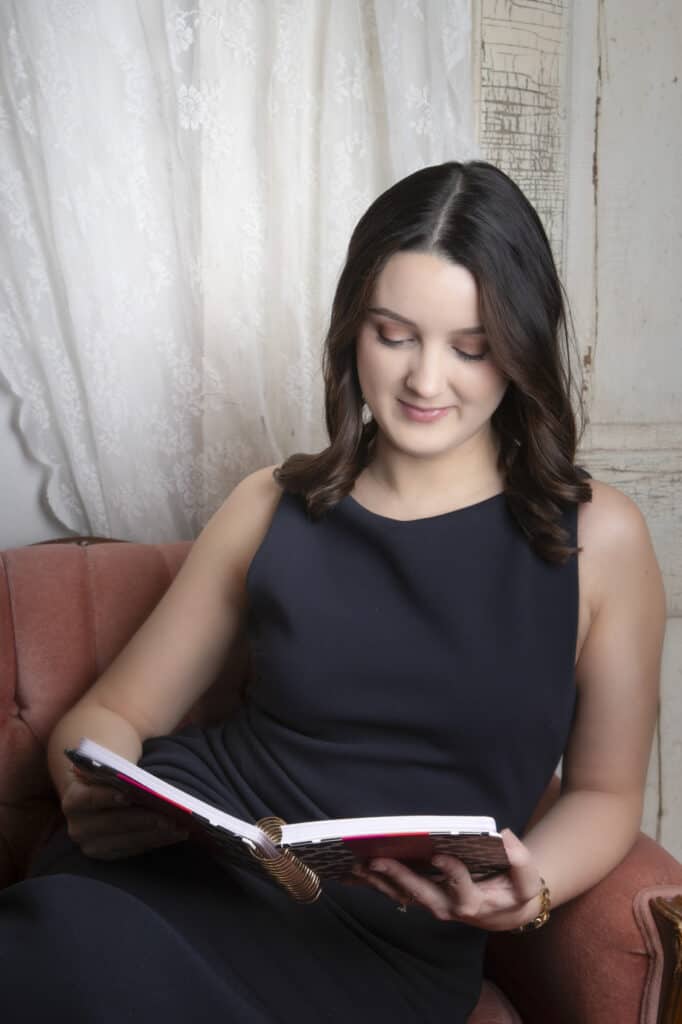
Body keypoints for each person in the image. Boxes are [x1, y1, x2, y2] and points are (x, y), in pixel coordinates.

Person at [0, 160, 666, 1022]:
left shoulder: (601, 540)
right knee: (63, 948)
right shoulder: (271, 503)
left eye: (471, 348)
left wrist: (531, 889)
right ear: (354, 327)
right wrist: (90, 791)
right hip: (179, 879)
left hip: (388, 949)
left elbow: (606, 794)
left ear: (521, 347)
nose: (427, 381)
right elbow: (109, 714)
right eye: (395, 335)